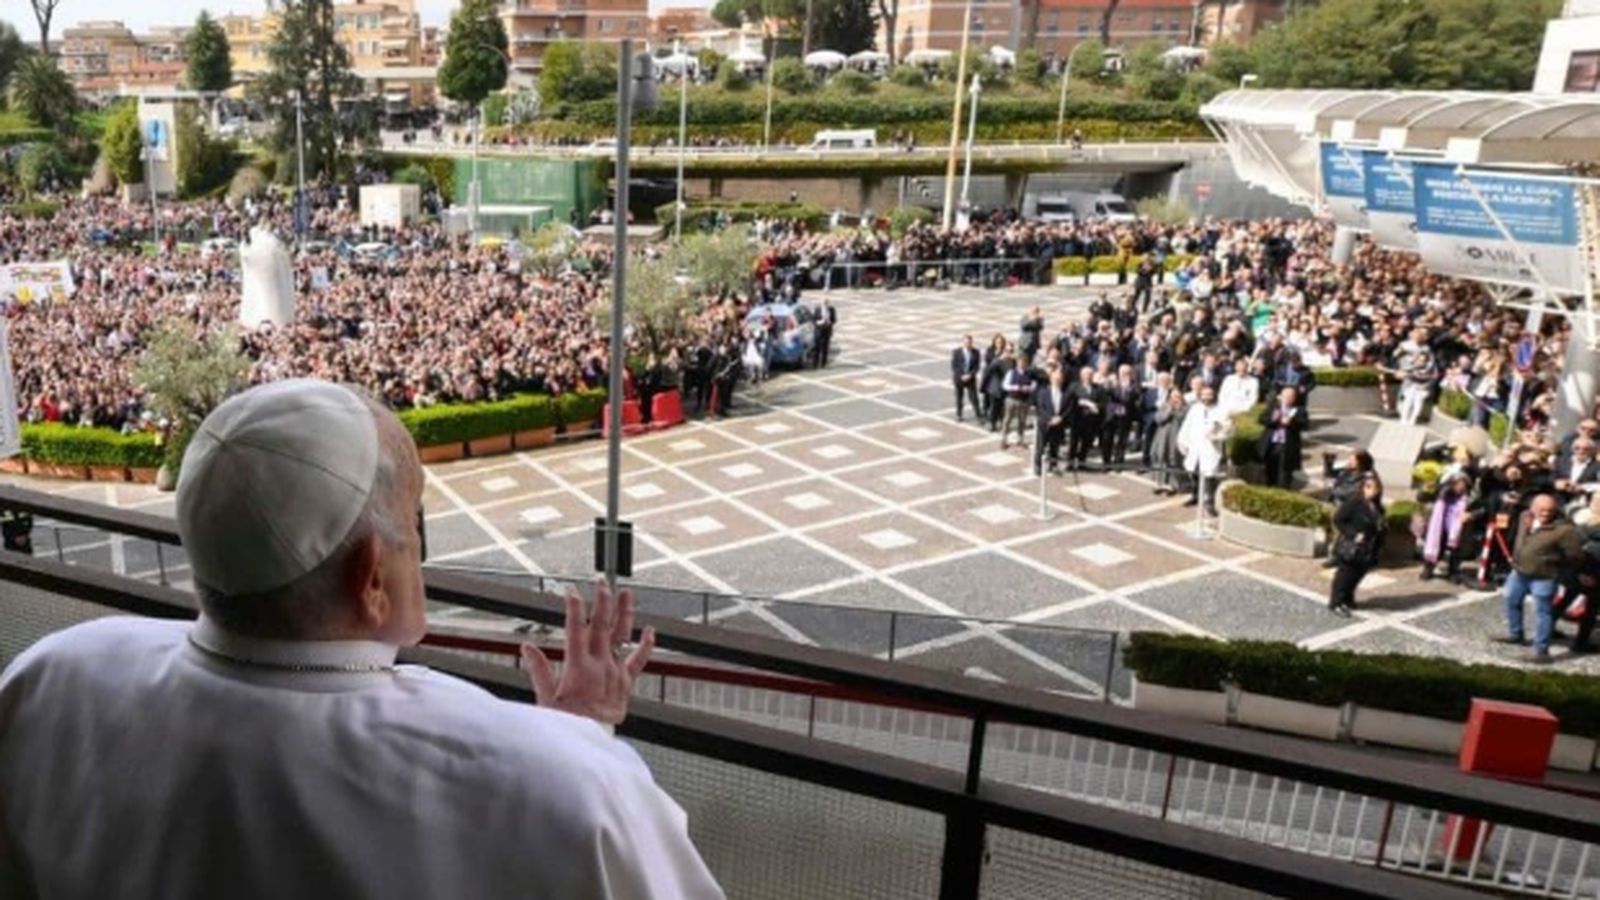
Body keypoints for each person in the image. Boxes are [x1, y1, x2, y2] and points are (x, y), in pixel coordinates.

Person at [0, 380, 722, 898]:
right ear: (372, 578)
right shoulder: (573, 789)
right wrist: (581, 741)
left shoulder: (53, 676)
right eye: (416, 522)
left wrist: (564, 745)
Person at [1499, 493, 1586, 664]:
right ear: (1532, 508)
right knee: (1511, 599)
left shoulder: (1565, 530)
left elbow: (1575, 556)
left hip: (1544, 576)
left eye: (1549, 510)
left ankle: (1541, 650)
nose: (1545, 513)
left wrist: (1554, 564)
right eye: (1541, 510)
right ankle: (1516, 634)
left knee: (1543, 613)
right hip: (1519, 571)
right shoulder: (1525, 516)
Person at [1329, 474, 1387, 617]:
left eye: (1374, 488)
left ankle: (1348, 599)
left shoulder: (1377, 506)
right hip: (1352, 547)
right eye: (1368, 487)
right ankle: (1336, 602)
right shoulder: (1354, 503)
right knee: (1344, 575)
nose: (1371, 490)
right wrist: (1353, 534)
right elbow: (1338, 519)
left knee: (1357, 575)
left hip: (1368, 549)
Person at [1177, 384, 1229, 516]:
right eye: (1204, 395)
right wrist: (1182, 441)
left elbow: (1227, 429)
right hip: (1195, 447)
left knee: (1209, 476)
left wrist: (1217, 436)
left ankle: (1209, 503)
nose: (1207, 397)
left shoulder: (1221, 410)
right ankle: (1195, 496)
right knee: (1193, 473)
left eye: (1209, 395)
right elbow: (1186, 425)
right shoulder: (1195, 408)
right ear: (1200, 395)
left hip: (1210, 448)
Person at [1420, 471, 1472, 583]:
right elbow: (1422, 497)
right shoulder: (1442, 495)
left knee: (1455, 551)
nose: (1460, 487)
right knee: (1436, 547)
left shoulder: (1467, 498)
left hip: (1456, 529)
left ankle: (1453, 572)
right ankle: (1428, 568)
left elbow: (1476, 509)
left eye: (1463, 484)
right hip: (1440, 527)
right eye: (1457, 484)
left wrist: (1470, 515)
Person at [1257, 387, 1306, 490]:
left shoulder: (1298, 410)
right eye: (1285, 396)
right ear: (1281, 397)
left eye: (1291, 396)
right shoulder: (1274, 407)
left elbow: (1305, 424)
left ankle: (1282, 492)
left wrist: (1291, 423)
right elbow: (1261, 419)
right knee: (1270, 473)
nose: (1287, 399)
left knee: (1284, 476)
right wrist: (1274, 420)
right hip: (1272, 445)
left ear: (1294, 398)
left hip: (1287, 446)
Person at [1066, 365, 1103, 471]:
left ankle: (1082, 462)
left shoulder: (1098, 388)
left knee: (1086, 443)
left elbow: (1103, 402)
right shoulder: (1074, 386)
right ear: (1081, 376)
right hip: (1077, 419)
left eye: (1090, 375)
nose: (1088, 377)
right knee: (1074, 442)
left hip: (1090, 421)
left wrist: (1096, 406)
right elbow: (1069, 400)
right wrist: (1081, 402)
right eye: (1086, 375)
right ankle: (1070, 463)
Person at [1034, 368, 1068, 476]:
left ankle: (1053, 465)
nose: (1058, 381)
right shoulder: (1043, 392)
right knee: (1041, 446)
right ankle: (1038, 466)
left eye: (1059, 379)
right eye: (1055, 379)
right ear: (1051, 379)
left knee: (1055, 446)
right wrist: (1050, 419)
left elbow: (1067, 409)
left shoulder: (1064, 394)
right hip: (1045, 424)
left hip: (1058, 424)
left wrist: (1060, 418)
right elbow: (1040, 408)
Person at [1000, 356, 1034, 451]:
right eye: (1020, 362)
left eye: (1024, 362)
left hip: (1024, 400)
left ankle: (1020, 440)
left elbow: (1033, 385)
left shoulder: (1029, 374)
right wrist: (1016, 387)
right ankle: (1004, 439)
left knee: (1022, 421)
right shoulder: (1011, 372)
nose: (1022, 364)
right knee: (1007, 420)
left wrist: (1028, 388)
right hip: (1012, 399)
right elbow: (1005, 385)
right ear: (1017, 363)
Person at [951, 334, 982, 422]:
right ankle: (959, 414)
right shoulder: (956, 352)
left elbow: (977, 366)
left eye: (970, 342)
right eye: (966, 342)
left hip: (970, 379)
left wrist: (970, 375)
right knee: (959, 397)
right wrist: (961, 375)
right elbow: (954, 366)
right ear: (963, 343)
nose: (968, 344)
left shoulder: (976, 352)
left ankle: (978, 415)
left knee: (974, 398)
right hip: (959, 379)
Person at [813, 299, 836, 368]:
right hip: (819, 330)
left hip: (827, 330)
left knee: (825, 347)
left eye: (827, 304)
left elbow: (834, 319)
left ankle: (823, 363)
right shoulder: (818, 309)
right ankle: (815, 363)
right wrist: (819, 322)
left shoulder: (831, 309)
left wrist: (830, 322)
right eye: (824, 304)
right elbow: (814, 320)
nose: (825, 305)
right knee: (817, 347)